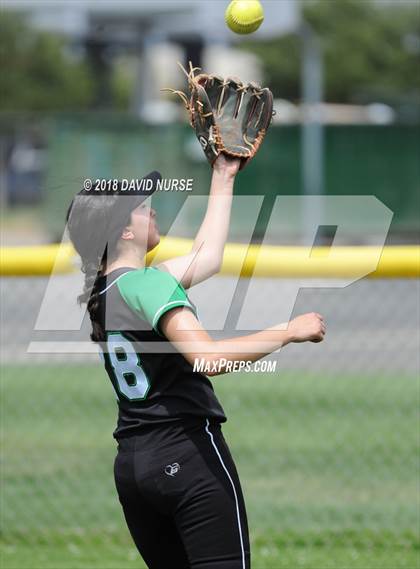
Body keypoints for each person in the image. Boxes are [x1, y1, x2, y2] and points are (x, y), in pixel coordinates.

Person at [66, 156, 325, 569]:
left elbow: (208, 258)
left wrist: (222, 176)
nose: (151, 207)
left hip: (134, 465)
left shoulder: (105, 292)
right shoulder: (147, 284)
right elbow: (208, 358)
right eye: (140, 205)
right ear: (126, 231)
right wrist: (288, 331)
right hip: (186, 455)